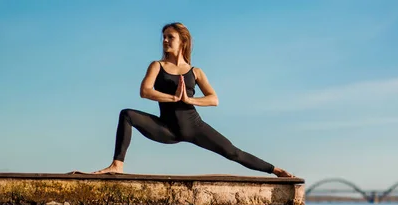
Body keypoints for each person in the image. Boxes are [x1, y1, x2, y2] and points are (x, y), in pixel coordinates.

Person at [93, 22, 293, 177]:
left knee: (233, 153)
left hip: (195, 127)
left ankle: (275, 170)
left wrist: (190, 100)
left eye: (170, 37)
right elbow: (145, 91)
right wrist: (173, 97)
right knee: (127, 115)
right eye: (163, 37)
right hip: (167, 128)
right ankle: (117, 165)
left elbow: (214, 99)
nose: (165, 41)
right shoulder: (157, 66)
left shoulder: (195, 72)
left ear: (183, 41)